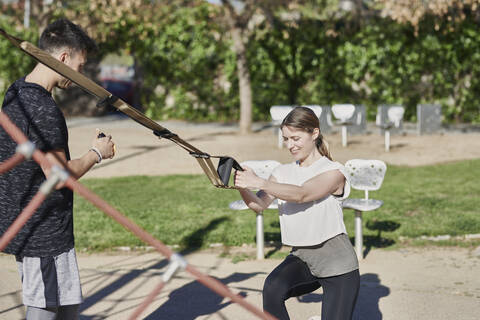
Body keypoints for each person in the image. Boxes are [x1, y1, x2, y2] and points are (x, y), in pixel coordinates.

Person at [0, 19, 115, 319]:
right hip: (43, 232)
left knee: (68, 306)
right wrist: (96, 154)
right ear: (63, 58)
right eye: (80, 66)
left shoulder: (16, 92)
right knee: (46, 308)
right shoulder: (44, 109)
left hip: (35, 226)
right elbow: (58, 174)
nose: (80, 75)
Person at [234, 106, 359, 320]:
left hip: (338, 265)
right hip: (302, 258)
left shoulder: (334, 171)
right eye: (285, 139)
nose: (290, 145)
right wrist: (241, 185)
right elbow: (259, 205)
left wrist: (259, 181)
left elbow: (302, 194)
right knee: (272, 288)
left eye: (295, 138)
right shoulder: (281, 172)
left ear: (314, 133)